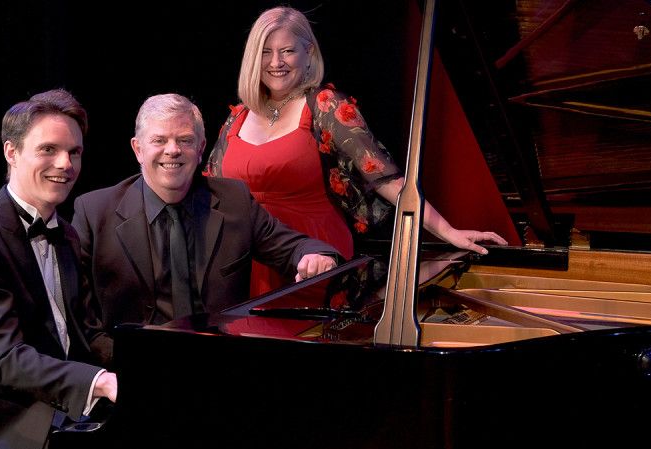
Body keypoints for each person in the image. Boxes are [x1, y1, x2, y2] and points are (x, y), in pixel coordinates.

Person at [206, 6, 509, 296]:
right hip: (246, 257)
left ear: (309, 53)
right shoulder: (238, 117)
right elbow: (209, 192)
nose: (276, 62)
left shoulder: (325, 105)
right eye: (266, 52)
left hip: (315, 260)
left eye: (287, 51)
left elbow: (387, 180)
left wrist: (448, 231)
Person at [72, 93, 340, 362]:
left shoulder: (234, 201)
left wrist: (313, 255)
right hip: (132, 367)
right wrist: (124, 365)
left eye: (185, 140)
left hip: (221, 364)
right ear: (138, 149)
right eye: (159, 140)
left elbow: (292, 246)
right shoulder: (94, 212)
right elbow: (82, 320)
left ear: (201, 148)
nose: (173, 150)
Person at [0, 88, 117, 449]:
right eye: (48, 149)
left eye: (74, 152)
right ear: (11, 152)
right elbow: (5, 358)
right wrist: (99, 381)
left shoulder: (67, 234)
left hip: (56, 416)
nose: (65, 164)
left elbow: (86, 332)